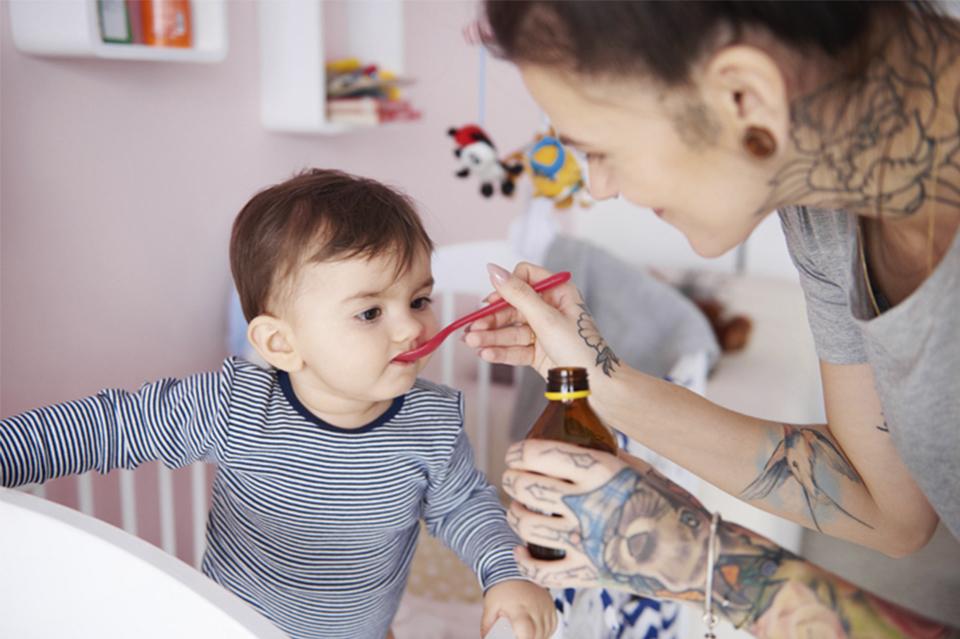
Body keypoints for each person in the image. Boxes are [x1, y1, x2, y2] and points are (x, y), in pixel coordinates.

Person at [464, 1, 960, 636]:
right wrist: (604, 382)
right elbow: (891, 509)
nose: (601, 187)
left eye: (602, 150)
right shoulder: (826, 207)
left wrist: (701, 561)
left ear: (745, 97)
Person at [0, 169, 556, 639]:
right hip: (231, 627)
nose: (411, 325)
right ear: (279, 344)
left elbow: (464, 507)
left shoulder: (429, 422)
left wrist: (506, 572)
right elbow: (105, 429)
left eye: (418, 299)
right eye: (370, 313)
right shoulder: (238, 405)